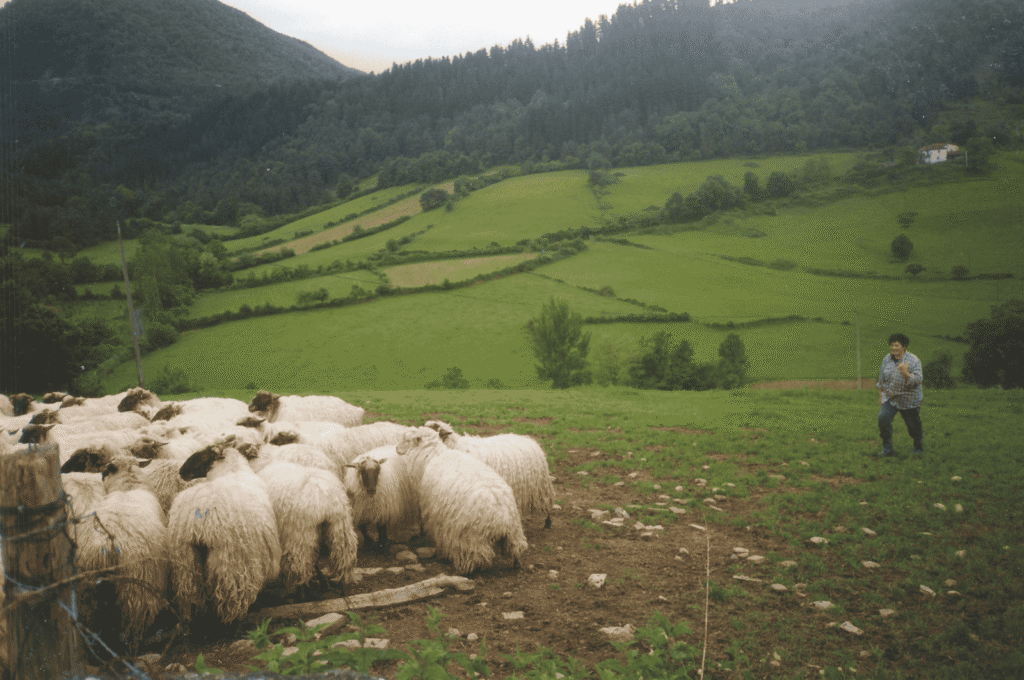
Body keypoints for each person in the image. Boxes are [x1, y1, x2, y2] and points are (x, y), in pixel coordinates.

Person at [875, 332, 924, 457]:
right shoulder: (887, 359)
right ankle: (887, 448)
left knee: (913, 426)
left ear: (904, 347)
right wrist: (881, 395)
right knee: (883, 418)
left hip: (908, 399)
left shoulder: (913, 360)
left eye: (896, 345)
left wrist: (905, 373)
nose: (893, 348)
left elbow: (918, 380)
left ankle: (918, 447)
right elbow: (882, 379)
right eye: (892, 345)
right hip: (890, 397)